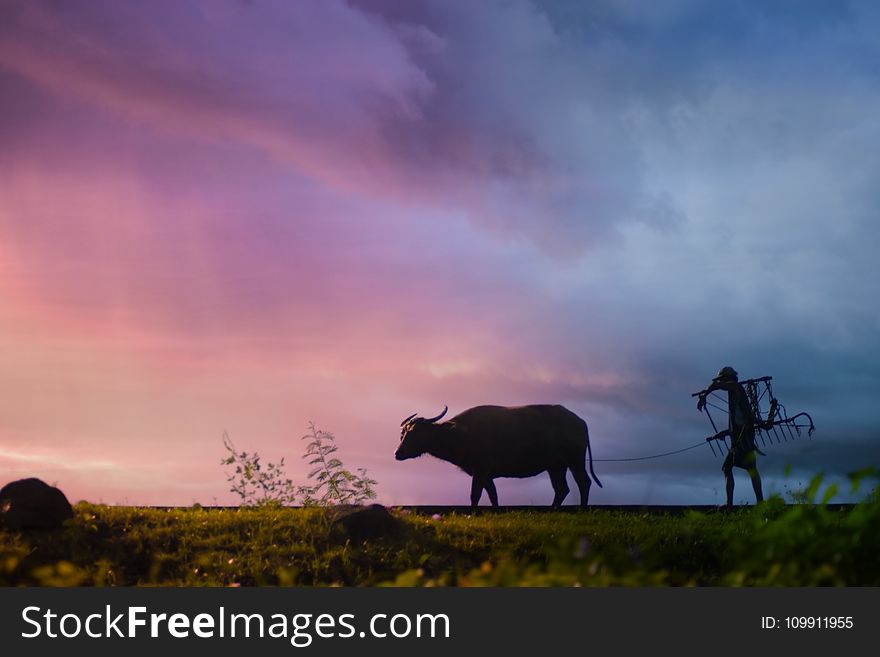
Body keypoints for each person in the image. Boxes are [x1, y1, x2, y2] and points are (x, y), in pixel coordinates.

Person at [697, 366, 764, 508]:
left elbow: (717, 385)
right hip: (740, 434)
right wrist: (725, 433)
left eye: (723, 379)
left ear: (728, 379)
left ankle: (737, 504)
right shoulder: (733, 394)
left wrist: (705, 394)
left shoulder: (734, 387)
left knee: (739, 468)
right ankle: (745, 503)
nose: (721, 381)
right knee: (732, 468)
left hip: (744, 436)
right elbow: (738, 421)